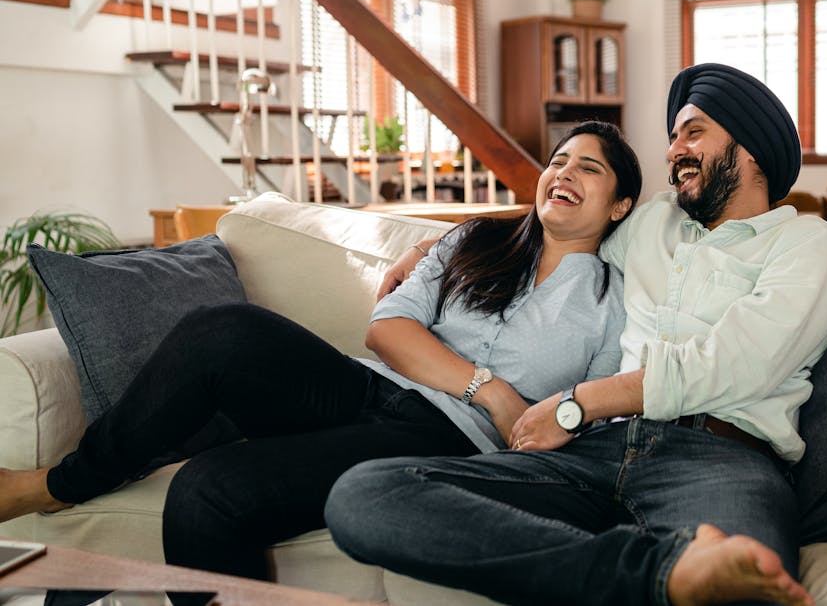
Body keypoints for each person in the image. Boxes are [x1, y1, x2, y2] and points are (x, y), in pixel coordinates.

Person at [0, 121, 642, 583]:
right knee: (221, 330)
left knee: (206, 493)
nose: (564, 173)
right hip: (371, 386)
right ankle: (63, 485)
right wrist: (491, 389)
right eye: (559, 160)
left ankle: (163, 457)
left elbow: (595, 420)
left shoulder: (615, 304)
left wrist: (533, 420)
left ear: (620, 205)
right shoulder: (473, 241)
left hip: (443, 441)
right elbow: (387, 329)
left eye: (590, 168)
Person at [324, 63, 827, 606]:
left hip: (718, 459)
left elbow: (737, 362)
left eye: (693, 133)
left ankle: (662, 573)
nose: (673, 151)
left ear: (752, 151)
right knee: (366, 493)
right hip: (593, 453)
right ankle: (653, 574)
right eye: (672, 138)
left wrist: (579, 403)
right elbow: (560, 213)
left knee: (747, 588)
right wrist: (439, 243)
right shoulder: (653, 224)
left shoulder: (809, 245)